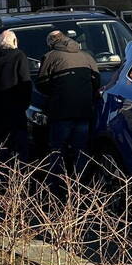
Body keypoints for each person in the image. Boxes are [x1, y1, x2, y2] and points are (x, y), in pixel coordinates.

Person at [37, 30, 100, 179]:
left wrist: (56, 91)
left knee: (57, 149)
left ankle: (58, 186)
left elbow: (41, 84)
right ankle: (81, 185)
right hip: (83, 111)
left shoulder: (50, 57)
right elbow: (96, 82)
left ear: (51, 42)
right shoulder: (86, 56)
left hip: (60, 111)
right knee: (82, 149)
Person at [0, 30, 33, 161]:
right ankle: (19, 177)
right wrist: (24, 104)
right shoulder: (19, 56)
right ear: (14, 42)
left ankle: (1, 178)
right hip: (15, 111)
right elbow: (25, 82)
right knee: (20, 149)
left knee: (0, 148)